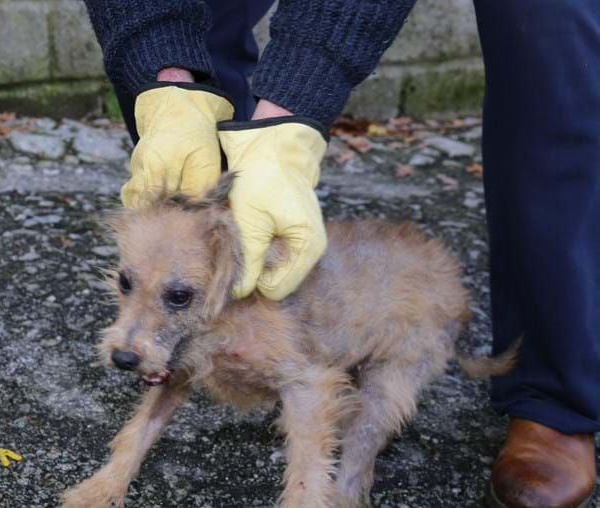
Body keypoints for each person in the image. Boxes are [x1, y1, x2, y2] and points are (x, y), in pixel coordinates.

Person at [83, 0, 600, 507]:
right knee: (199, 25)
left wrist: (288, 118)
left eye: (175, 294)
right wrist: (167, 83)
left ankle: (553, 397)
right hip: (282, 301)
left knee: (553, 38)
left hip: (394, 318)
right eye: (126, 283)